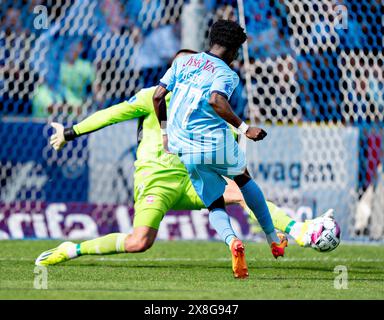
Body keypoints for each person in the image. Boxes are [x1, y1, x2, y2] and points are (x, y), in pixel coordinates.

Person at [35, 49, 335, 276]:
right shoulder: (150, 96)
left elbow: (223, 128)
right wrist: (71, 132)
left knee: (243, 191)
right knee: (139, 242)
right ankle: (71, 249)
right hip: (158, 181)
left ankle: (298, 231)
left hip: (192, 178)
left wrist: (237, 134)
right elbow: (110, 114)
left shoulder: (202, 99)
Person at [153, 20, 287, 278]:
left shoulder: (181, 62)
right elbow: (216, 100)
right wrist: (244, 128)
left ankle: (232, 242)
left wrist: (164, 133)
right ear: (235, 50)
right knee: (243, 178)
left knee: (214, 203)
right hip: (214, 141)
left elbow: (158, 96)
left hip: (184, 146)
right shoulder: (226, 73)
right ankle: (273, 239)